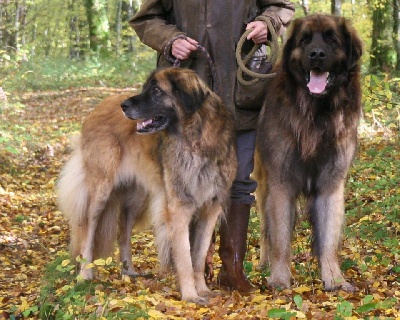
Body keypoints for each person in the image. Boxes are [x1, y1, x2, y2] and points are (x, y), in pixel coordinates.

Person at [130, 0, 295, 293]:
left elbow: (281, 6)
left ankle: (232, 268)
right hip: (185, 103)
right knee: (187, 188)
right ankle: (194, 269)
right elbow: (146, 19)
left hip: (240, 93)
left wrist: (266, 24)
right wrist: (170, 40)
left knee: (240, 182)